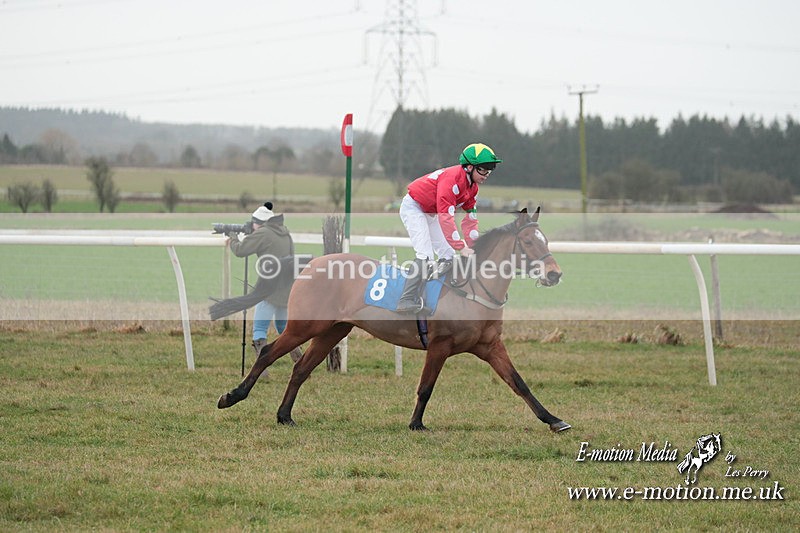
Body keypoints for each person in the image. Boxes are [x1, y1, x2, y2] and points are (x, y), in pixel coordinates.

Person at [396, 143, 502, 313]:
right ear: (468, 167)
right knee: (425, 255)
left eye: (490, 170)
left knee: (448, 256)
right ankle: (405, 300)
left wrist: (474, 246)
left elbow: (470, 221)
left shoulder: (472, 188)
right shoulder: (452, 180)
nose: (487, 174)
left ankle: (438, 293)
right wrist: (461, 246)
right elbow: (446, 217)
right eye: (483, 169)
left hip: (430, 212)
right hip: (414, 207)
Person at [227, 202, 302, 375]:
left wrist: (232, 238)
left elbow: (240, 250)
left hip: (268, 290)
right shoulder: (285, 232)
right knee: (285, 330)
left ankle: (261, 371)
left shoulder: (263, 233)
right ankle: (301, 362)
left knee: (259, 330)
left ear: (258, 222)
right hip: (287, 288)